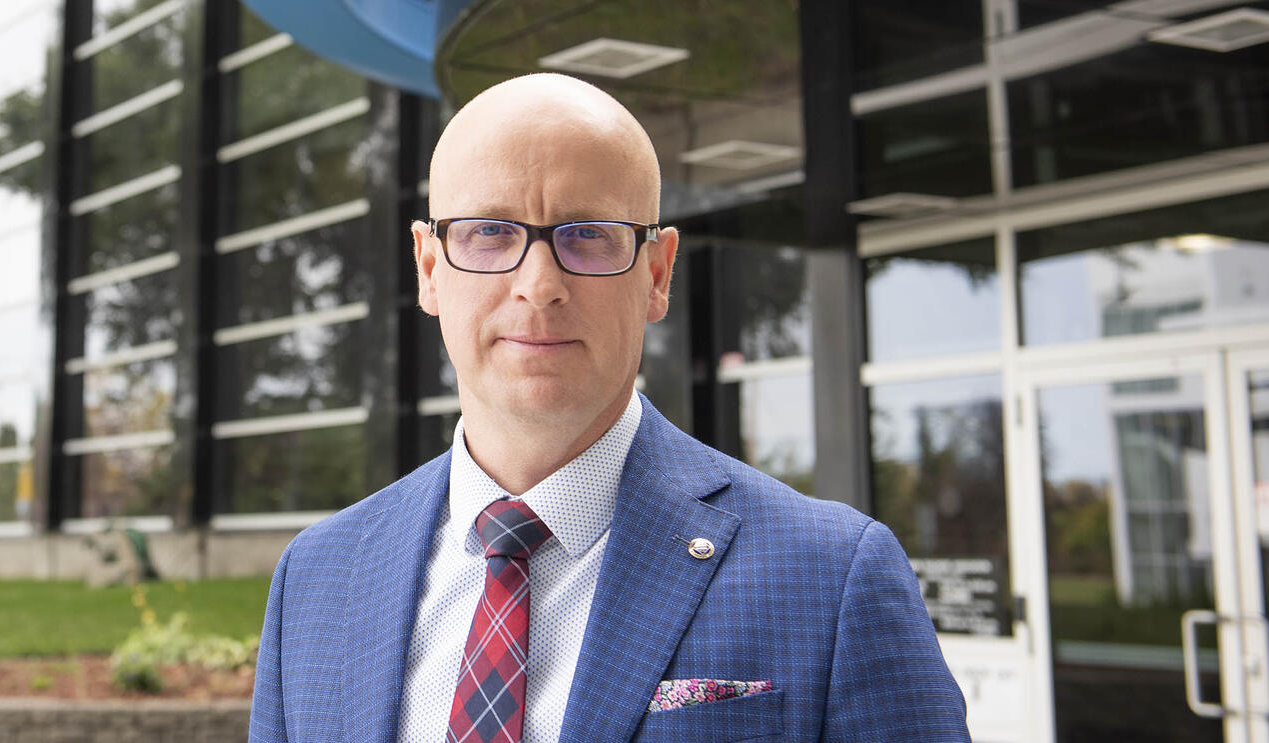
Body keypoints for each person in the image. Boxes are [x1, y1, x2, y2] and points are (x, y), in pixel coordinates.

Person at [249, 73, 968, 743]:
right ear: (431, 268)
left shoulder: (833, 576)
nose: (539, 284)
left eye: (587, 234)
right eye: (490, 232)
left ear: (657, 273)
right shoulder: (316, 578)